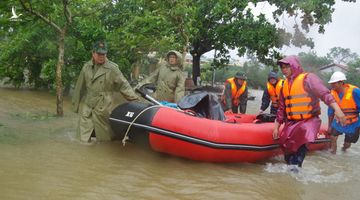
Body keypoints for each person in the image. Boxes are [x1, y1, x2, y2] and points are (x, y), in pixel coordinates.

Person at [272, 55, 346, 168]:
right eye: (282, 67)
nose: (284, 69)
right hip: (292, 123)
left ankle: (295, 175)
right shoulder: (284, 85)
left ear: (294, 66)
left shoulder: (308, 78)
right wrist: (277, 127)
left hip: (308, 122)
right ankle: (292, 175)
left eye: (286, 67)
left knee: (297, 158)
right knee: (288, 156)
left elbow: (324, 94)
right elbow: (281, 109)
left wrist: (337, 110)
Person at [72, 40, 139, 143]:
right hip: (88, 106)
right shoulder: (86, 67)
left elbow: (124, 85)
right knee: (82, 140)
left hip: (103, 107)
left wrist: (136, 102)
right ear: (93, 53)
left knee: (105, 141)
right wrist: (75, 106)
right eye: (99, 54)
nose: (101, 56)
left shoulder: (112, 68)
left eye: (103, 54)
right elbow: (79, 87)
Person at [327, 71, 360, 154]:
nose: (332, 85)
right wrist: (329, 126)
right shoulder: (331, 94)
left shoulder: (355, 91)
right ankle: (333, 155)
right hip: (338, 122)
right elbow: (330, 112)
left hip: (353, 123)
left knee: (347, 144)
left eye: (334, 83)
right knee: (332, 138)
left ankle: (344, 150)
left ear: (341, 82)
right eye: (331, 83)